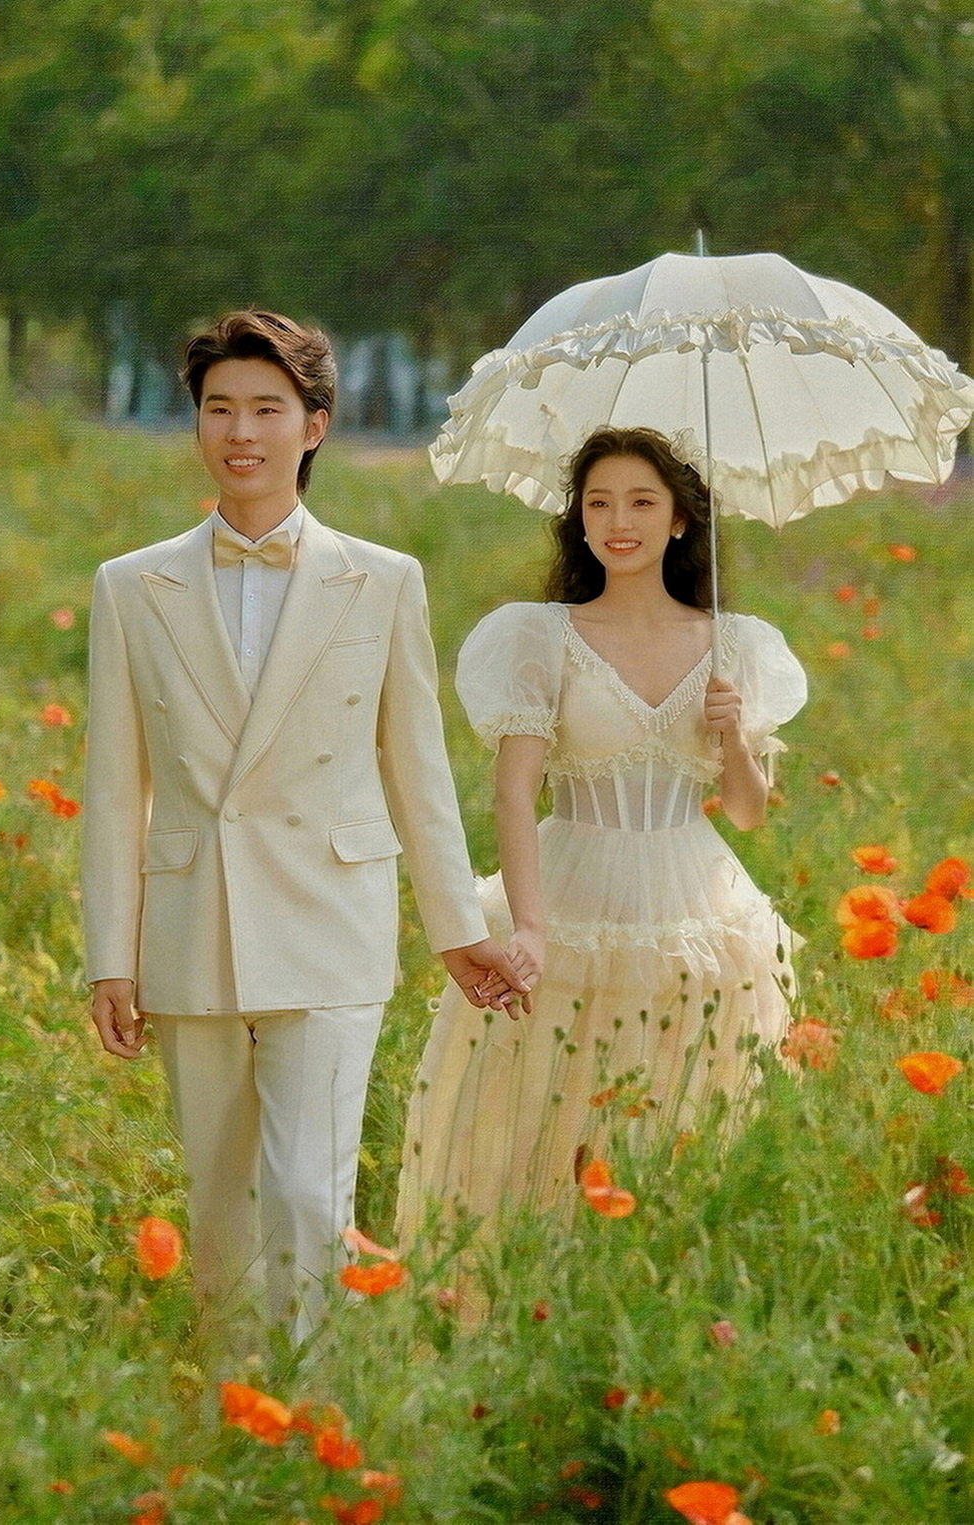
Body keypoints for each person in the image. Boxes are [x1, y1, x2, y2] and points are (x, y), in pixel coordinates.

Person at [81, 309, 524, 1350]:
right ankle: (234, 1412)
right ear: (197, 422)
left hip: (331, 922)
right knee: (219, 1204)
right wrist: (110, 957)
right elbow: (112, 788)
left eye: (267, 409)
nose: (241, 432)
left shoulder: (384, 579)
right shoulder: (129, 585)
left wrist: (458, 928)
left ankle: (313, 1408)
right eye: (219, 408)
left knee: (309, 1197)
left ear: (314, 425)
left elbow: (417, 770)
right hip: (190, 927)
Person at [395, 425, 807, 1238]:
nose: (620, 521)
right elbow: (514, 792)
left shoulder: (733, 643)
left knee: (682, 1113)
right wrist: (531, 925)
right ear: (578, 518)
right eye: (600, 503)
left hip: (696, 893)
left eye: (642, 502)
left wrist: (731, 735)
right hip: (571, 877)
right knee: (546, 1116)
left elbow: (750, 810)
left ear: (680, 519)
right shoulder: (541, 636)